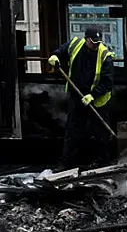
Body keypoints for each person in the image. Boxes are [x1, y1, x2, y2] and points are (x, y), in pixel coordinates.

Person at [48, 26, 115, 169]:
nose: (95, 45)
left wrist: (93, 95)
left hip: (97, 101)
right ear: (86, 39)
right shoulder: (75, 44)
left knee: (99, 132)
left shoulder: (105, 56)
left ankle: (103, 162)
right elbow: (62, 51)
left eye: (98, 42)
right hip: (76, 96)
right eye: (93, 42)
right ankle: (66, 163)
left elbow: (107, 83)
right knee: (73, 131)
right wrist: (56, 56)